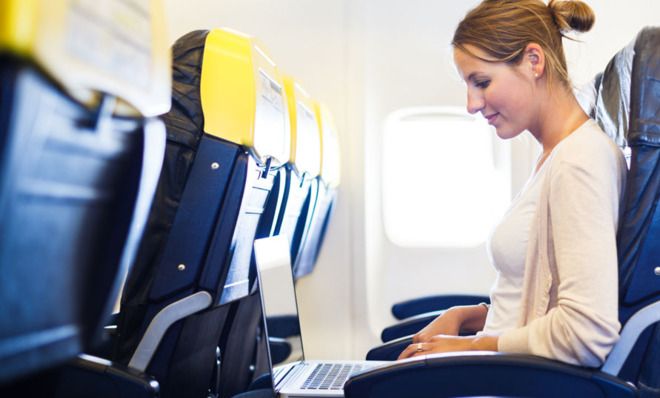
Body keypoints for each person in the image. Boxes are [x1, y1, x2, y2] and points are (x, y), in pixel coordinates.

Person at [398, 0, 627, 367]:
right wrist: (469, 315)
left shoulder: (579, 162)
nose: (472, 104)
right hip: (502, 371)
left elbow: (586, 333)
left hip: (512, 379)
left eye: (482, 82)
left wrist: (475, 346)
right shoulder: (555, 157)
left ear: (533, 61)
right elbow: (537, 298)